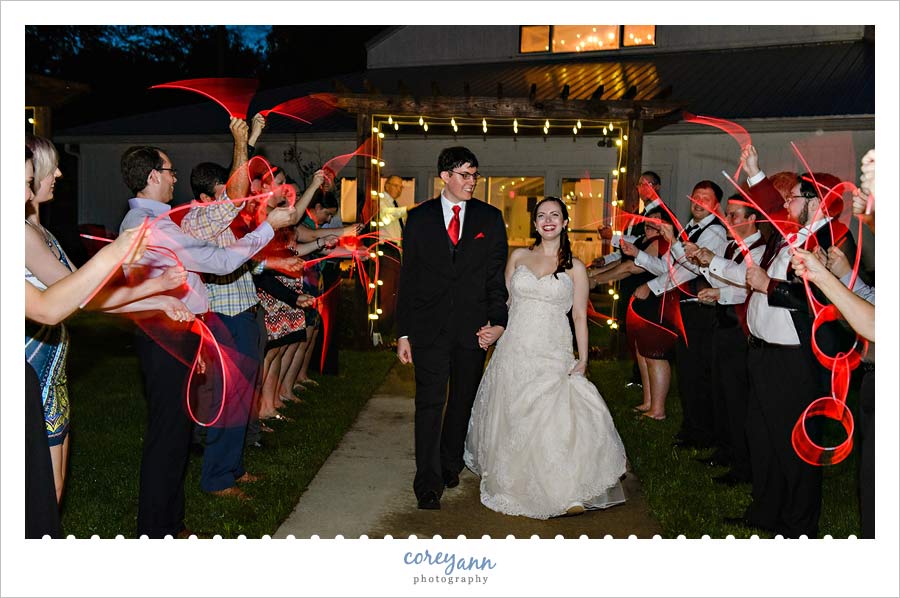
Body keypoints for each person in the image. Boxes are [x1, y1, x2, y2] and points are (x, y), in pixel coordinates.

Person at [118, 144, 296, 537]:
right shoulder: (154, 225)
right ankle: (158, 529)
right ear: (152, 177)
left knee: (175, 433)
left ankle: (168, 523)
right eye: (169, 171)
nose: (174, 177)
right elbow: (220, 262)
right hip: (163, 332)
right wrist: (271, 226)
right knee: (169, 435)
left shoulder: (147, 219)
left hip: (172, 330)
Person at [465, 197, 627, 518]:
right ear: (535, 224)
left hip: (553, 349)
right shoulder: (519, 256)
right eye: (542, 216)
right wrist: (491, 328)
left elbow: (580, 316)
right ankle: (516, 479)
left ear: (565, 222)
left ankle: (565, 491)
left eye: (555, 215)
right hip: (515, 347)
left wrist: (583, 358)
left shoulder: (576, 268)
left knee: (553, 416)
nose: (548, 220)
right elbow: (505, 303)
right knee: (515, 415)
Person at [396, 146, 509, 511]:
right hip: (428, 329)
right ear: (444, 176)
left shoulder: (490, 219)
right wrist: (403, 333)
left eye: (475, 175)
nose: (471, 182)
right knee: (429, 403)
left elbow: (495, 278)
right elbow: (408, 279)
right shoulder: (419, 218)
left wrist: (498, 323)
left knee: (462, 401)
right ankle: (427, 483)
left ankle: (449, 461)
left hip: (472, 329)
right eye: (464, 175)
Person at [377, 175, 407, 329]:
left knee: (394, 288)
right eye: (396, 185)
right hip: (386, 247)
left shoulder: (395, 205)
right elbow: (386, 218)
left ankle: (389, 323)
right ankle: (382, 324)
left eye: (401, 186)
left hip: (395, 248)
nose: (399, 189)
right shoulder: (381, 202)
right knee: (387, 288)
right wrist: (406, 210)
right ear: (387, 185)